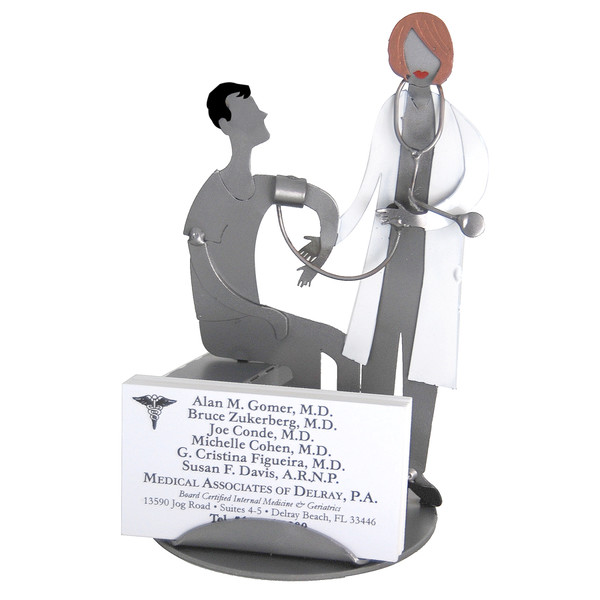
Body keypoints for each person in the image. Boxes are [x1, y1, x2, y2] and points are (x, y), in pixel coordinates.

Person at [336, 13, 488, 505]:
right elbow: (367, 186)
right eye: (411, 53)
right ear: (397, 57)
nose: (420, 64)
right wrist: (331, 238)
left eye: (429, 54)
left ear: (445, 59)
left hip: (431, 261)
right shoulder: (389, 113)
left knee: (422, 371)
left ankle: (412, 468)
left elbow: (468, 194)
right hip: (390, 260)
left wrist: (419, 220)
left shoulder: (463, 131)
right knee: (379, 361)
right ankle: (370, 463)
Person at [184, 82, 360, 392]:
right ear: (226, 125)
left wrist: (322, 251)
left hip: (256, 318)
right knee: (308, 353)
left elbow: (324, 205)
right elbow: (207, 279)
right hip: (227, 327)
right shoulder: (212, 197)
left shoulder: (261, 187)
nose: (262, 113)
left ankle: (345, 419)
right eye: (249, 109)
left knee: (342, 347)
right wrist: (264, 314)